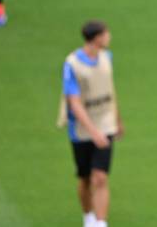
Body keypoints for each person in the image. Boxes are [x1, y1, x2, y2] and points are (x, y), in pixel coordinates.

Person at [58, 21, 124, 227]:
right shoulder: (72, 64)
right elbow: (75, 103)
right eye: (106, 34)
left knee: (100, 177)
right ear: (97, 38)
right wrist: (93, 132)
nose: (109, 37)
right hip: (81, 129)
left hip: (105, 123)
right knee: (85, 177)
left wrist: (117, 119)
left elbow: (110, 90)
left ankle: (101, 222)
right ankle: (88, 216)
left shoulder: (107, 58)